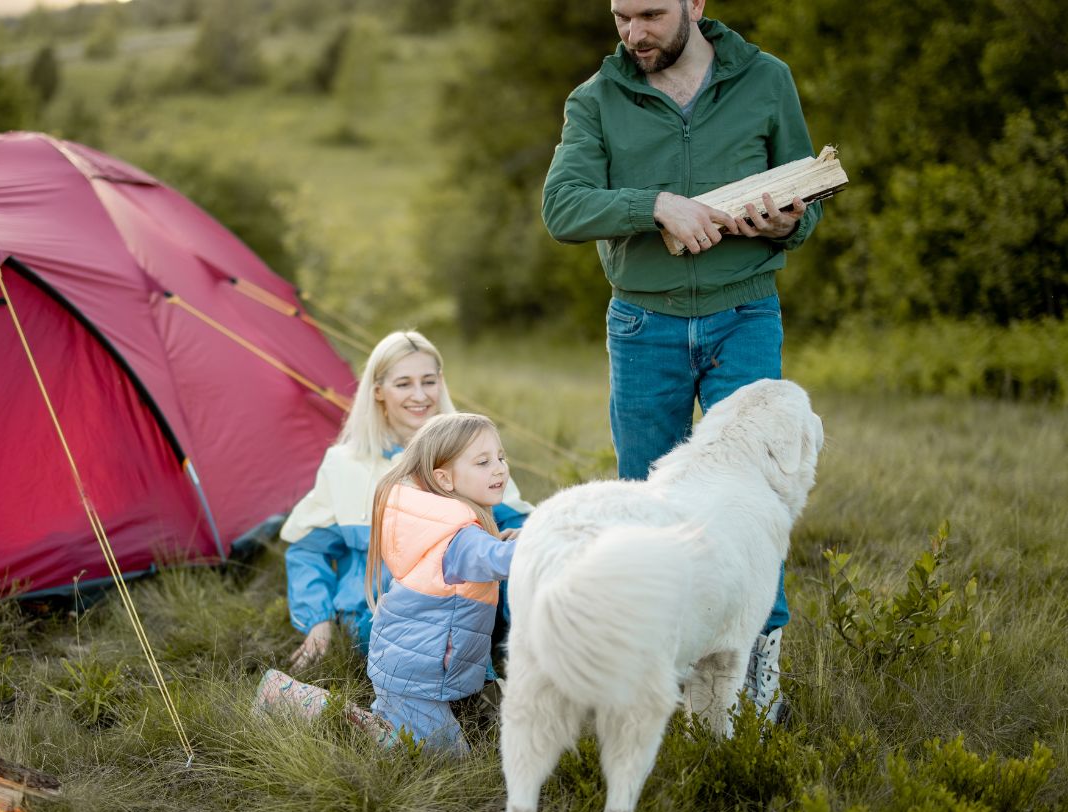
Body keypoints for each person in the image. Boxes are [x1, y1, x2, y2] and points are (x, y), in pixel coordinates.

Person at [539, 0, 823, 722]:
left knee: (754, 506)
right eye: (620, 16)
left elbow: (810, 198)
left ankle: (758, 679)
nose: (633, 33)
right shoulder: (595, 101)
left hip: (745, 313)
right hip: (643, 326)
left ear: (696, 4)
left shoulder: (767, 80)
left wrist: (790, 221)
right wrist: (655, 204)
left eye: (651, 15)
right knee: (649, 505)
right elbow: (563, 207)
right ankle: (659, 678)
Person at [281, 331, 530, 667]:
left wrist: (521, 534)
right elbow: (307, 550)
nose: (419, 395)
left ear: (440, 383)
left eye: (428, 381)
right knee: (415, 638)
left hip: (471, 599)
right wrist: (318, 621)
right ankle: (471, 685)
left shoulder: (469, 450)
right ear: (378, 391)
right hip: (382, 611)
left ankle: (529, 668)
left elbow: (516, 518)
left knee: (530, 573)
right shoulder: (344, 464)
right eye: (403, 384)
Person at [364, 413, 518, 752]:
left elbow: (489, 555)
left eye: (501, 457)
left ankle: (387, 717)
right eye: (483, 462)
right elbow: (499, 560)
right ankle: (304, 706)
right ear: (444, 479)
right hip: (416, 678)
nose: (499, 469)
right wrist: (551, 537)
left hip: (413, 667)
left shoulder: (440, 522)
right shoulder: (460, 538)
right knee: (447, 761)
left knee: (428, 739)